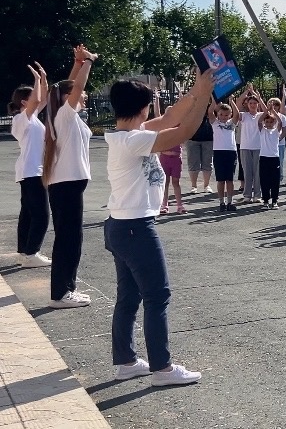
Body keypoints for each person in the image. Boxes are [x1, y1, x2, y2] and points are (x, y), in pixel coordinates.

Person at [104, 71, 213, 386]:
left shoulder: (126, 133)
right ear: (142, 109)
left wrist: (196, 90)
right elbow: (184, 130)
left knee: (129, 296)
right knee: (157, 295)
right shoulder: (135, 139)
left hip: (122, 225)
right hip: (136, 227)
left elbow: (171, 116)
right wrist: (204, 95)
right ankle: (162, 369)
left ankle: (126, 361)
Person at [43, 45, 96, 307]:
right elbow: (74, 87)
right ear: (67, 97)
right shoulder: (65, 115)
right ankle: (61, 293)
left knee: (70, 237)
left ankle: (65, 289)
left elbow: (67, 86)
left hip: (67, 185)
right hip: (67, 185)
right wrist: (88, 62)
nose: (84, 95)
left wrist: (77, 63)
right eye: (78, 93)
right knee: (69, 239)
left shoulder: (62, 115)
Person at [10, 63, 51, 268]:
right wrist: (36, 80)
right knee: (41, 215)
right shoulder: (21, 118)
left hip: (30, 170)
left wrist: (43, 79)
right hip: (31, 171)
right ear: (24, 102)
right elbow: (37, 100)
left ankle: (24, 251)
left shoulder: (31, 117)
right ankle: (31, 252)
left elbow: (42, 99)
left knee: (28, 213)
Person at [209, 100, 239, 212]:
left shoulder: (232, 123)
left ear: (229, 115)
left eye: (226, 115)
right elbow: (210, 112)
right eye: (221, 114)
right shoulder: (215, 123)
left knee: (229, 179)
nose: (223, 117)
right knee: (220, 180)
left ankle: (230, 202)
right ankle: (221, 202)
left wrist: (232, 101)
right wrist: (214, 102)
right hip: (218, 152)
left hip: (230, 152)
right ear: (218, 114)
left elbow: (237, 114)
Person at [235, 86, 263, 204]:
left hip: (258, 147)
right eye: (250, 103)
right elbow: (236, 105)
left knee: (257, 172)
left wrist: (258, 96)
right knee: (247, 172)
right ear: (247, 104)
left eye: (254, 103)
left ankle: (257, 195)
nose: (252, 105)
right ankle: (247, 195)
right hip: (245, 147)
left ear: (257, 104)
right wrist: (247, 92)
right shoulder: (243, 115)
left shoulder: (260, 115)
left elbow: (267, 111)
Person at [257, 109, 285, 209]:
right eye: (267, 121)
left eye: (271, 121)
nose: (269, 123)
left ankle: (274, 201)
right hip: (264, 157)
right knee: (264, 180)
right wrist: (266, 111)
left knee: (274, 180)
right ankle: (265, 201)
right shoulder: (262, 130)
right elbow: (259, 121)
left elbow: (281, 122)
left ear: (274, 122)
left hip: (274, 158)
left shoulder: (276, 131)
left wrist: (273, 111)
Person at [184, 110, 213, 195]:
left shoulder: (210, 105)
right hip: (192, 138)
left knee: (207, 162)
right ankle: (194, 186)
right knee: (193, 163)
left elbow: (217, 107)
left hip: (208, 138)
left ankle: (206, 185)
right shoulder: (193, 104)